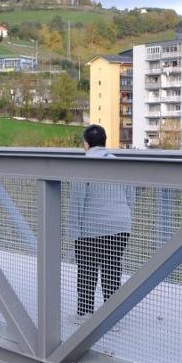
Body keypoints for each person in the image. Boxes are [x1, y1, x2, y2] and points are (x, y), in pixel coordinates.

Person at [69, 125, 134, 325]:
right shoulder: (120, 164)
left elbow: (76, 203)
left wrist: (74, 235)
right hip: (121, 225)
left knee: (87, 270)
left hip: (92, 227)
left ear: (86, 144)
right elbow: (130, 196)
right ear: (105, 142)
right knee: (112, 269)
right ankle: (111, 318)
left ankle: (84, 313)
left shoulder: (83, 166)